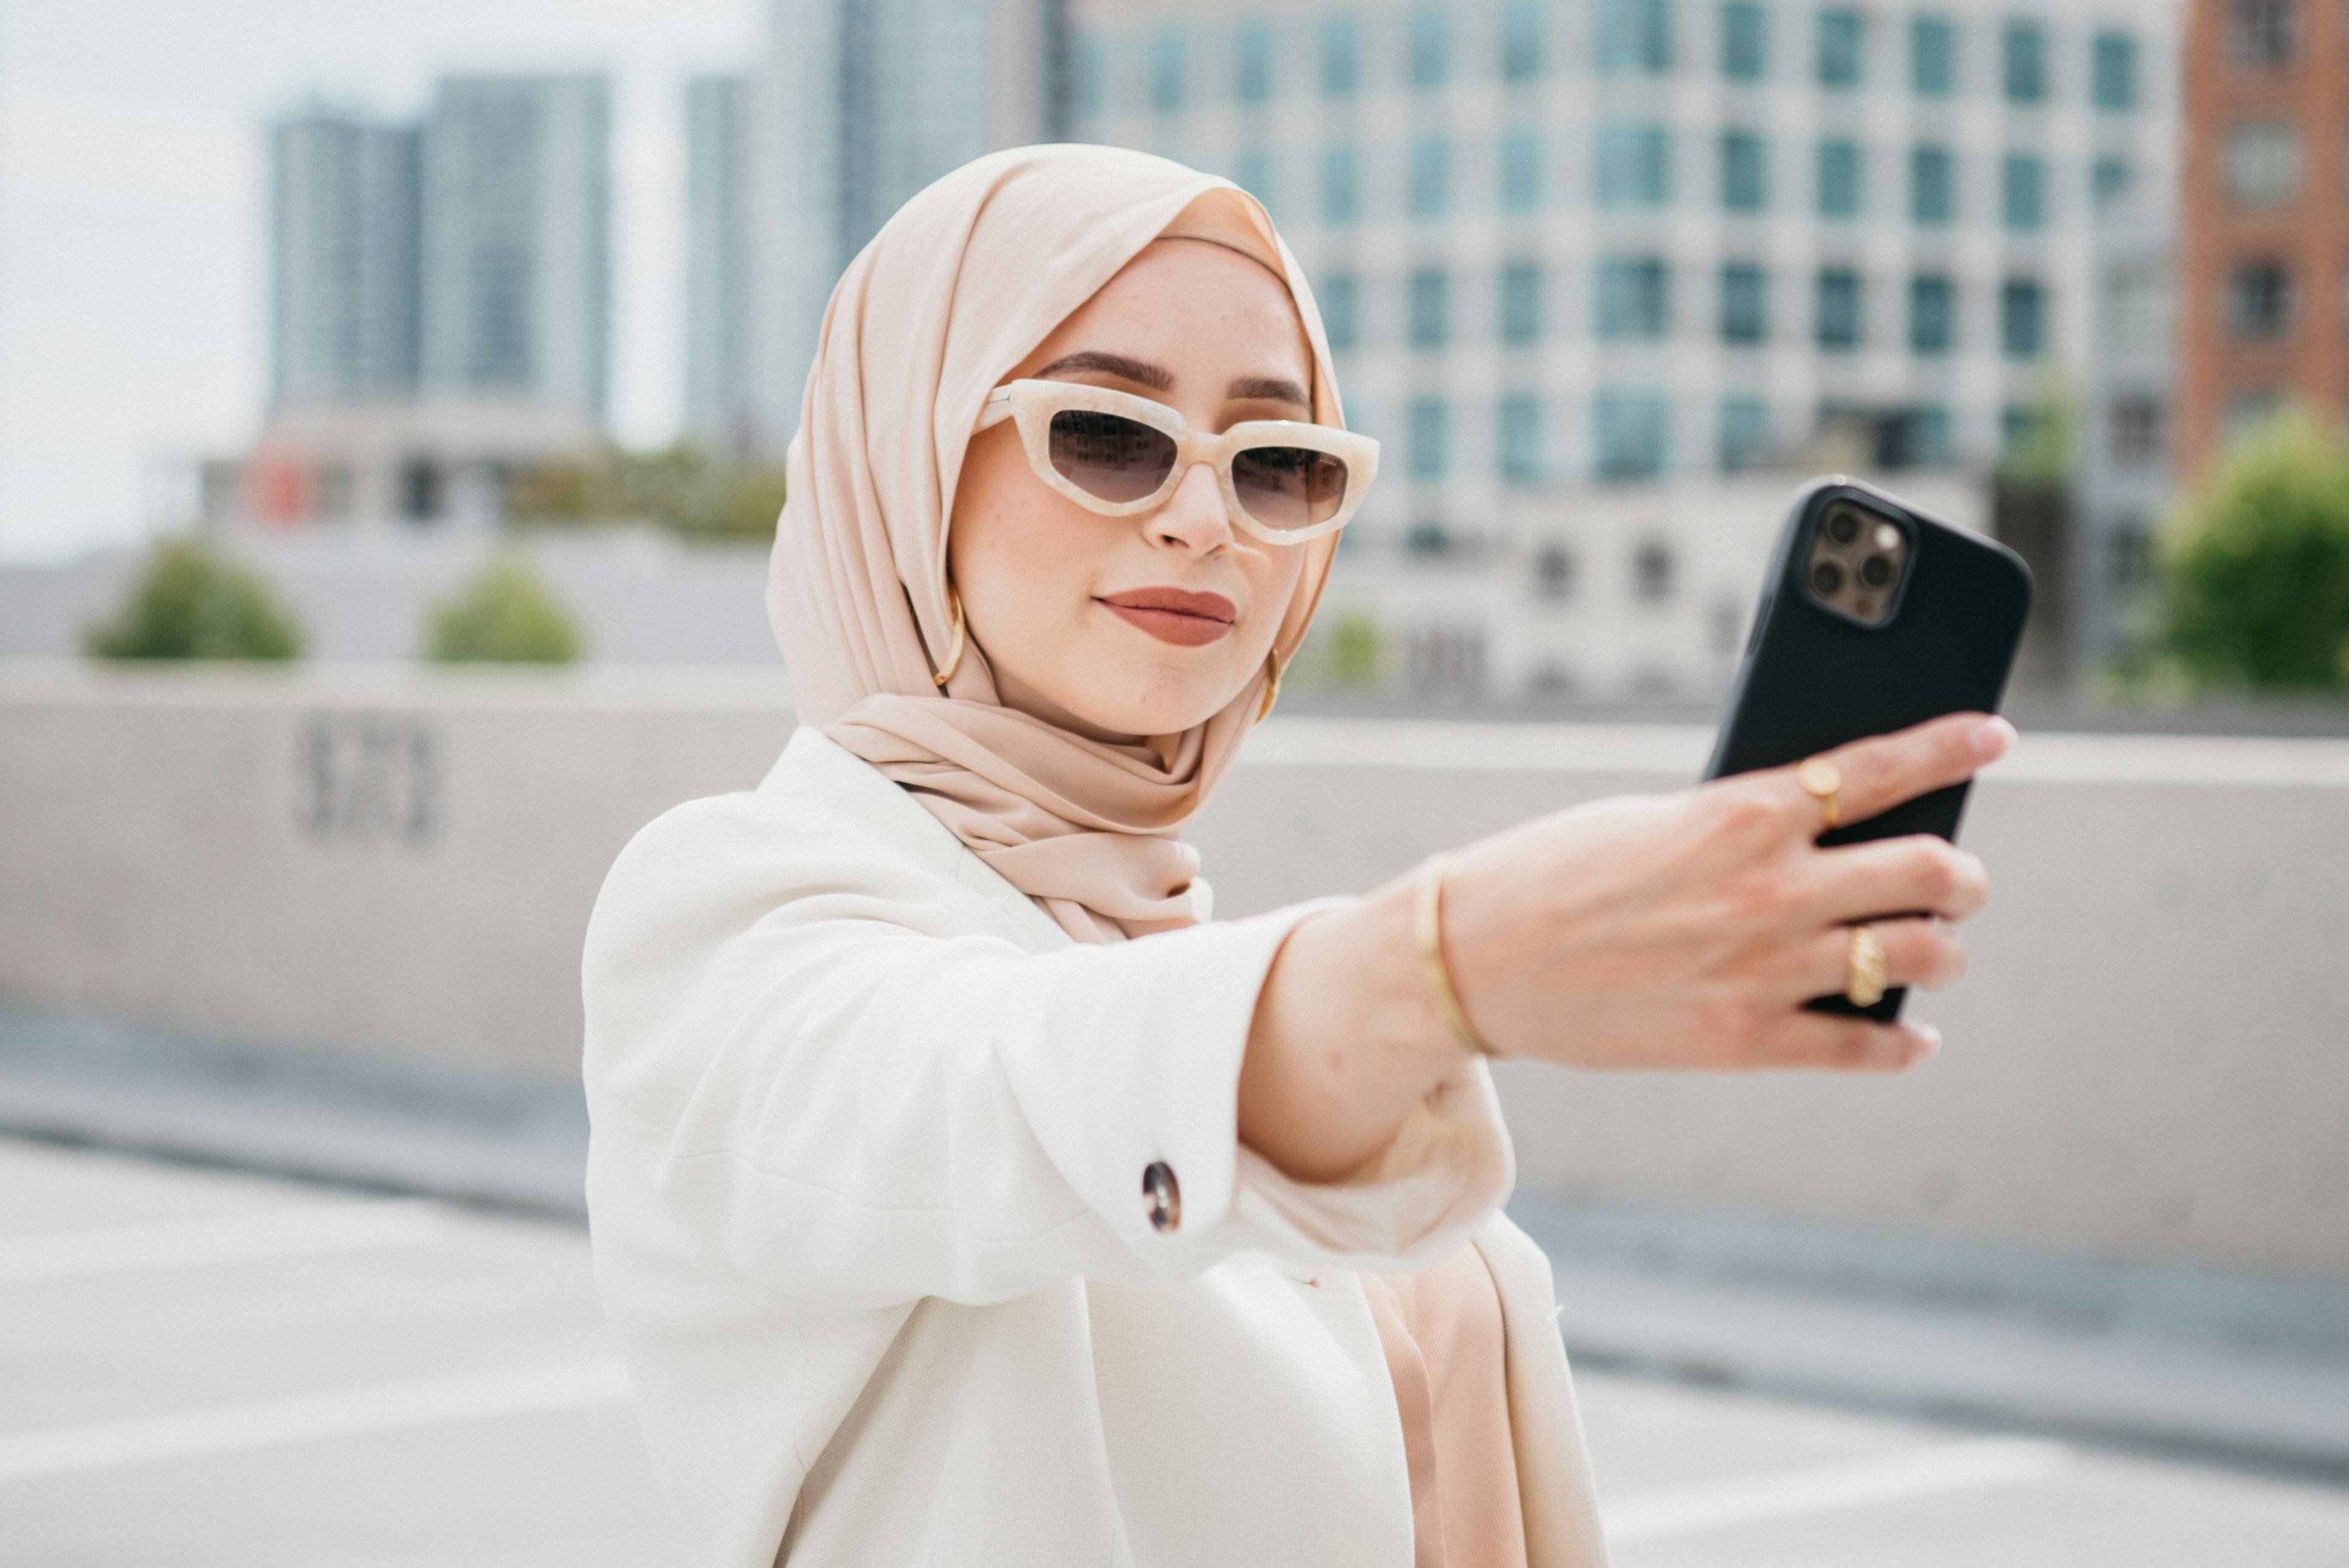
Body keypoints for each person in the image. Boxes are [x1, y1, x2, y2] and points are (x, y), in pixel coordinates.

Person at [580, 144, 2007, 1568]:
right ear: (907, 455)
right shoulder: (722, 918)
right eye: (1108, 434)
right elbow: (986, 1093)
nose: (1207, 518)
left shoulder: (1164, 943)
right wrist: (1450, 962)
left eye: (1277, 461)